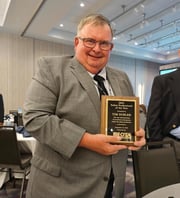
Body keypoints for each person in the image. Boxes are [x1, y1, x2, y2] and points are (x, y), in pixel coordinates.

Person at [23, 14, 146, 198]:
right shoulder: (51, 68)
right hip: (61, 187)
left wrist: (138, 130)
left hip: (111, 184)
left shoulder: (122, 77)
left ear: (111, 47)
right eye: (90, 41)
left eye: (104, 43)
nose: (97, 49)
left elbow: (138, 111)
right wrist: (87, 140)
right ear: (76, 42)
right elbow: (35, 118)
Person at [147, 68, 180, 170]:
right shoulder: (163, 80)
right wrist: (158, 148)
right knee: (172, 184)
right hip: (173, 145)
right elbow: (153, 116)